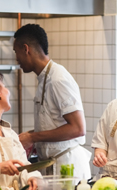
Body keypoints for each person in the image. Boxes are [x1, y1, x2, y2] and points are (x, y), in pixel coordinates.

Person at [13, 24, 91, 179]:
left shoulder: (57, 79)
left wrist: (33, 138)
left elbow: (78, 128)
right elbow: (55, 123)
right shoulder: (45, 77)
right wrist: (31, 136)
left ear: (26, 49)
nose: (16, 59)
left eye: (16, 52)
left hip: (67, 167)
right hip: (54, 164)